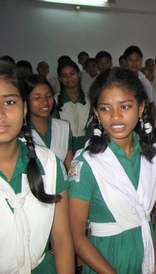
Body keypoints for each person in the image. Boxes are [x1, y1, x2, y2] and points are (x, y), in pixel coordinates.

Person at [69, 67, 156, 274]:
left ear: (141, 107)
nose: (116, 117)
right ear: (96, 112)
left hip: (148, 254)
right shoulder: (87, 162)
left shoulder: (152, 155)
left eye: (125, 106)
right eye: (105, 109)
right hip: (106, 261)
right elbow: (76, 234)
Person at [0, 60, 74, 273]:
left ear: (23, 108)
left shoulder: (49, 163)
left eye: (9, 102)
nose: (1, 113)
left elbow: (61, 239)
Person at [24, 74, 73, 170]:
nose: (45, 101)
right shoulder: (20, 132)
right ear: (25, 101)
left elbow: (69, 166)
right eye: (37, 98)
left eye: (48, 96)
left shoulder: (63, 127)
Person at [52, 59, 93, 152]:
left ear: (79, 75)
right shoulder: (55, 100)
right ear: (60, 79)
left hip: (86, 146)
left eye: (72, 74)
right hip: (63, 146)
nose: (69, 78)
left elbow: (91, 127)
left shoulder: (89, 100)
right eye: (64, 76)